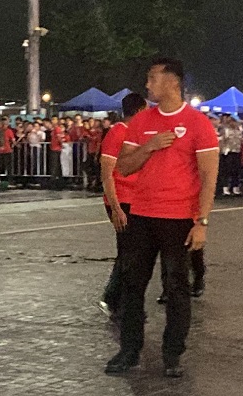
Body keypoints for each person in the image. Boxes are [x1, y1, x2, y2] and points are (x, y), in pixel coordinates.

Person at [107, 58, 219, 378]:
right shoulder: (142, 122)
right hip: (141, 215)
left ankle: (172, 354)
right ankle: (129, 350)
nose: (147, 84)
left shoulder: (198, 123)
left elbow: (209, 177)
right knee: (132, 285)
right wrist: (150, 146)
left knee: (176, 287)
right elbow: (124, 167)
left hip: (178, 218)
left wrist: (203, 222)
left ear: (173, 82)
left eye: (153, 78)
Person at [97, 93, 147, 317]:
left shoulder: (138, 134)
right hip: (121, 199)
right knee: (129, 251)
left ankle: (115, 298)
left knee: (132, 251)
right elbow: (107, 173)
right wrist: (115, 207)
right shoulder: (117, 132)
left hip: (136, 200)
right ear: (137, 112)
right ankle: (116, 300)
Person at [218, 113, 243, 196]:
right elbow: (221, 140)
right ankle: (225, 188)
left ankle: (235, 188)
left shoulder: (239, 129)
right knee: (226, 171)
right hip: (227, 152)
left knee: (236, 171)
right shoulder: (225, 130)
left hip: (237, 151)